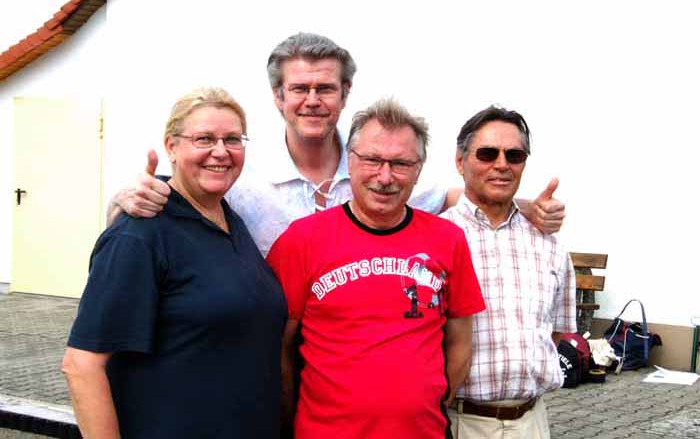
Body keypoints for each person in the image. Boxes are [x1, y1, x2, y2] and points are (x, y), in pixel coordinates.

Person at [107, 33, 566, 257]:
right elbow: (181, 197)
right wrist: (121, 200)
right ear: (278, 96)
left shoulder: (375, 171)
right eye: (299, 88)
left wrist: (525, 207)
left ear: (345, 94)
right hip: (271, 357)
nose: (312, 100)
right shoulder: (241, 178)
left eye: (325, 88)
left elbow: (454, 196)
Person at [62, 89, 287, 439]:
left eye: (232, 139)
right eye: (204, 139)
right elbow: (82, 365)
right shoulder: (140, 233)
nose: (220, 151)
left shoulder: (232, 220)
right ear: (171, 146)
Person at [266, 98, 486, 439]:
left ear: (418, 170)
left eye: (400, 163)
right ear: (350, 162)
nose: (385, 177)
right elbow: (278, 348)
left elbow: (460, 343)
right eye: (372, 160)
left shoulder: (449, 240)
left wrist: (427, 404)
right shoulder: (301, 241)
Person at [441, 105, 576, 439]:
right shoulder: (437, 238)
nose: (502, 164)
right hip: (459, 422)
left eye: (514, 155)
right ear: (460, 161)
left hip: (531, 422)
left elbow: (555, 334)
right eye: (487, 154)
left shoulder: (550, 245)